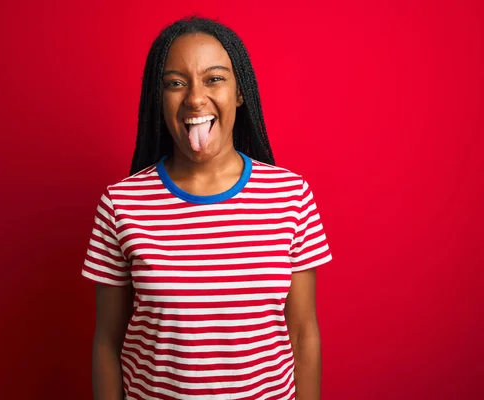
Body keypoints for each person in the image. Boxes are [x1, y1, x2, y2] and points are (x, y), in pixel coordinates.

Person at [82, 16, 332, 400]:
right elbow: (106, 343)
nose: (195, 98)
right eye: (175, 83)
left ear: (239, 92)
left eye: (214, 78)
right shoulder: (120, 204)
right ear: (158, 97)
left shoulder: (290, 195)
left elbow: (302, 332)